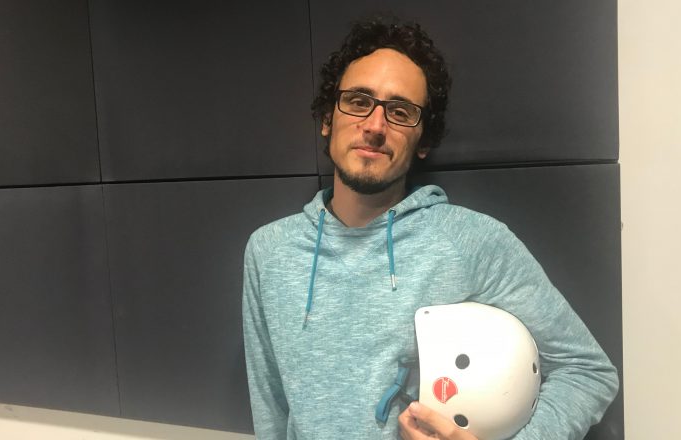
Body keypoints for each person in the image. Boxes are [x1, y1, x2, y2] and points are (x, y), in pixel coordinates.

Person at [242, 17, 618, 440]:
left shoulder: (473, 242)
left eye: (400, 111)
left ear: (423, 141)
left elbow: (587, 371)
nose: (375, 125)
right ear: (328, 119)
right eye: (358, 101)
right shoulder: (268, 252)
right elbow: (271, 409)